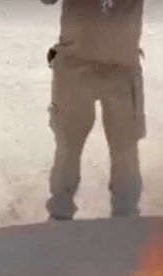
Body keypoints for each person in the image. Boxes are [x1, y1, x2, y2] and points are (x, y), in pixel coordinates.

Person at [41, 0, 146, 219]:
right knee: (68, 147)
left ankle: (125, 220)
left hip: (121, 69)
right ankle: (60, 218)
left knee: (124, 150)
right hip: (75, 67)